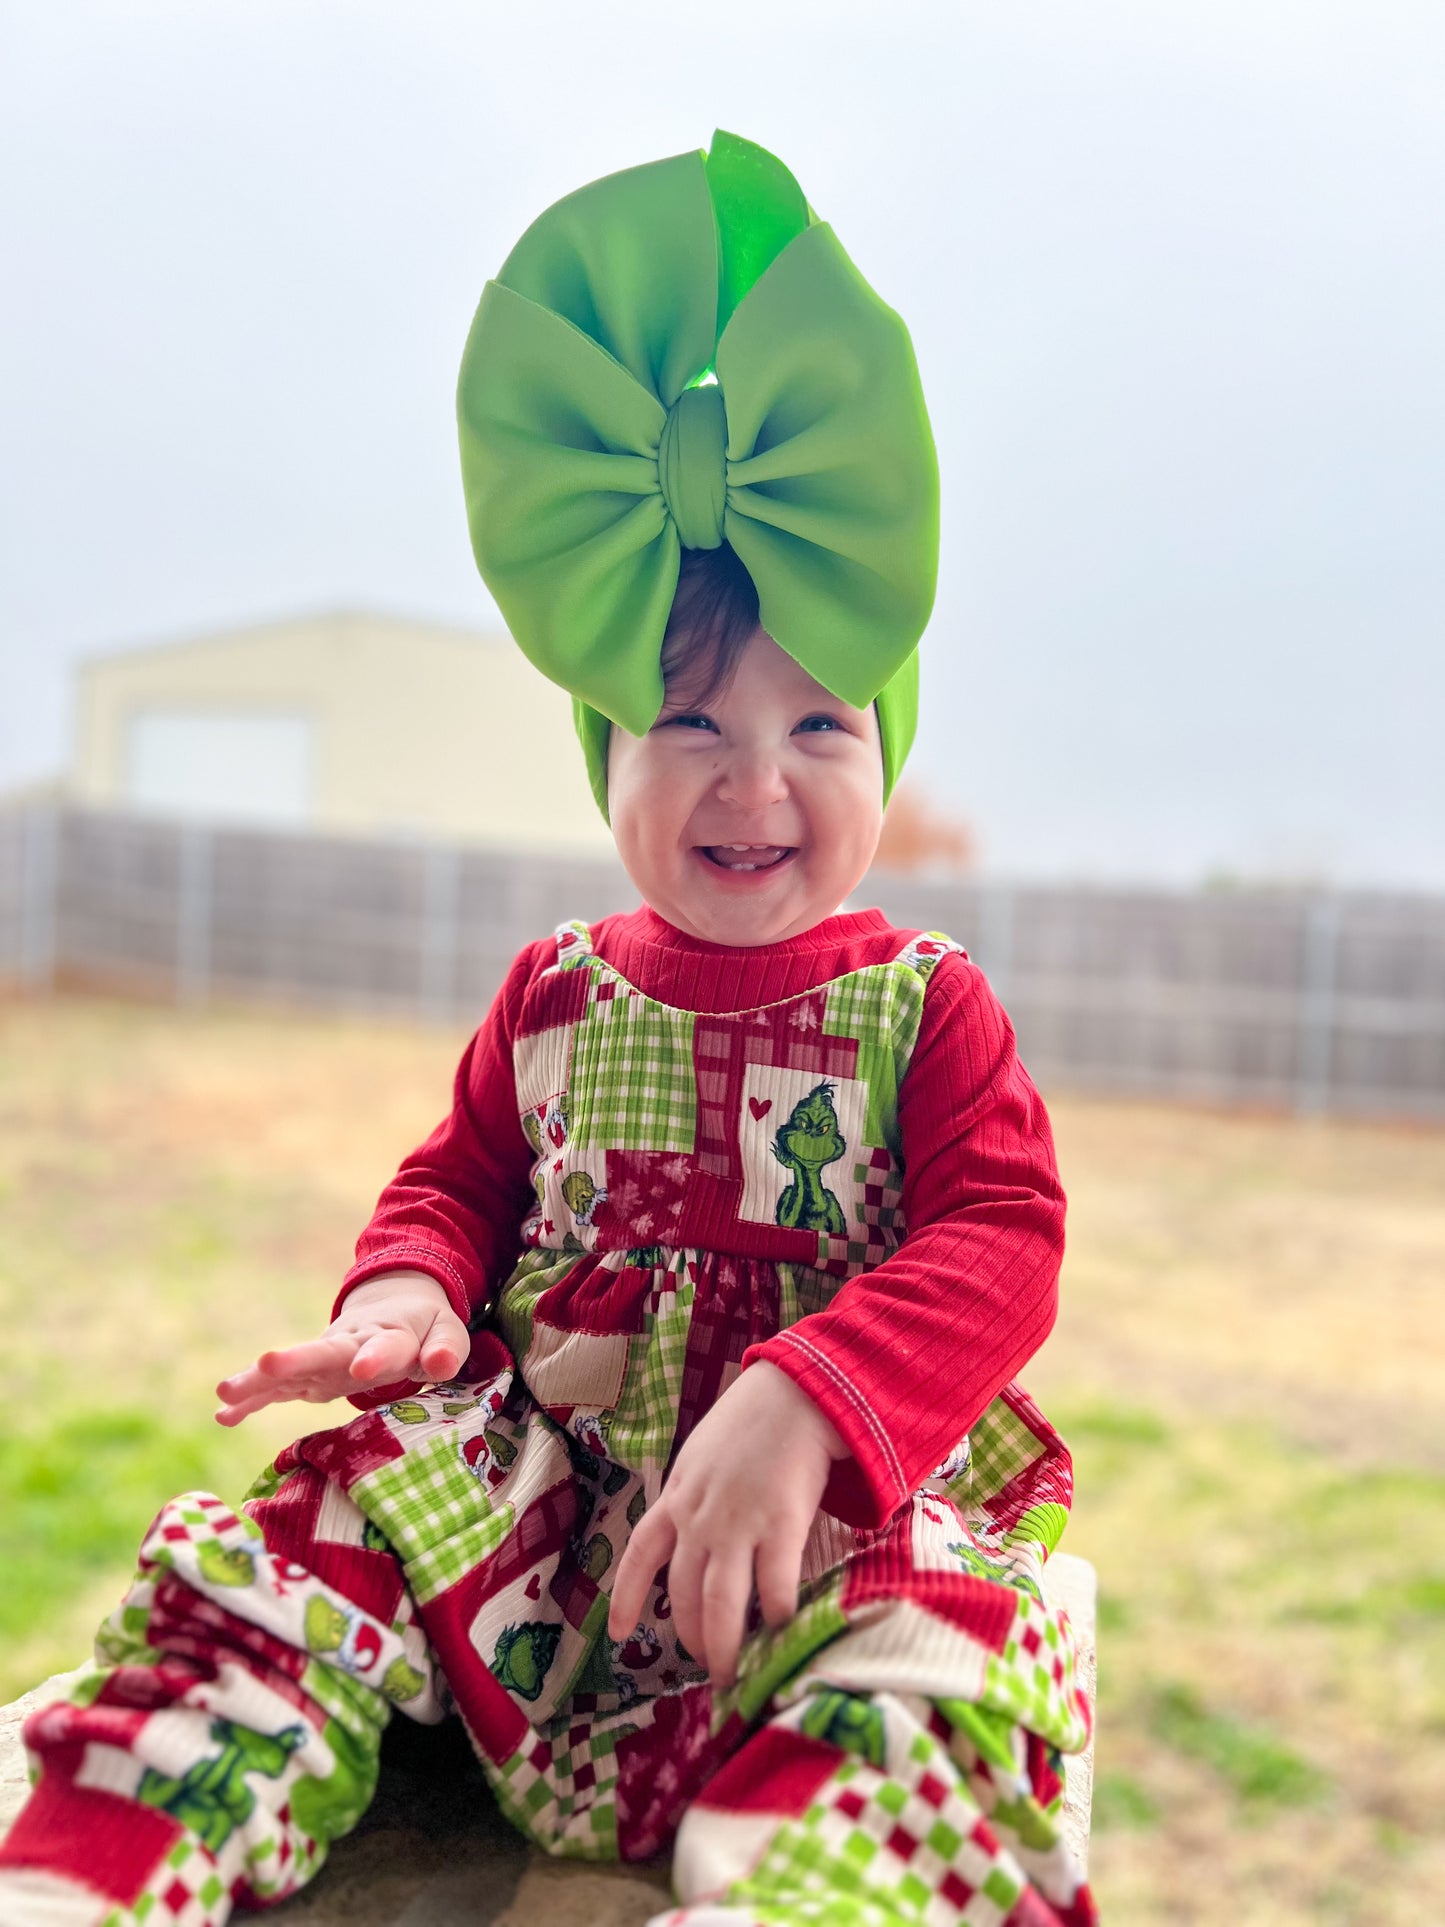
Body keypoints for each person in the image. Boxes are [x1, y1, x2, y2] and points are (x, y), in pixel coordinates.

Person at [0, 133, 1096, 1926]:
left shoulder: (924, 1008)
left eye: (822, 726)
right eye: (686, 724)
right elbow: (457, 1181)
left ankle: (797, 1891)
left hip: (812, 1520)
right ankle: (121, 1836)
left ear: (884, 758)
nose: (755, 776)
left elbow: (1003, 1240)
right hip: (543, 1516)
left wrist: (808, 1395)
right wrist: (407, 1297)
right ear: (609, 759)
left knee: (941, 1663)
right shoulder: (553, 992)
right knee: (326, 1521)